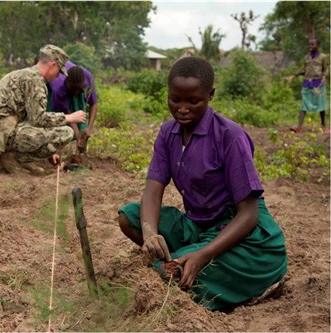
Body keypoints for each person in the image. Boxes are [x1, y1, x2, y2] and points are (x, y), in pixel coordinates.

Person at [118, 56, 288, 311]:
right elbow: (153, 189)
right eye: (175, 100)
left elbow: (249, 215)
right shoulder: (168, 133)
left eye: (193, 101)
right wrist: (150, 233)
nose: (182, 109)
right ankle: (191, 256)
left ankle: (248, 280)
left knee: (170, 273)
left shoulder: (229, 136)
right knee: (129, 217)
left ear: (210, 95)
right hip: (198, 224)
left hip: (245, 236)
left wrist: (203, 255)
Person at [0, 45, 86, 174]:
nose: (57, 77)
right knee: (66, 132)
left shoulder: (24, 74)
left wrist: (49, 153)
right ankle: (14, 158)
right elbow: (38, 119)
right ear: (52, 65)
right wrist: (69, 117)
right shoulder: (35, 81)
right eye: (58, 71)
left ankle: (20, 159)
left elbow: (29, 117)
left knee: (47, 130)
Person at [48, 61, 98, 164]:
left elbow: (93, 104)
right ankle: (50, 150)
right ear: (67, 83)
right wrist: (77, 133)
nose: (75, 92)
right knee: (53, 117)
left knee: (80, 115)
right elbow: (67, 113)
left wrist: (89, 128)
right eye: (73, 89)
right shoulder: (59, 87)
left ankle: (79, 150)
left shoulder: (88, 80)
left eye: (78, 89)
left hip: (75, 84)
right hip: (54, 87)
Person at [286, 38, 329, 133]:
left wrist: (324, 77)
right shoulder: (306, 58)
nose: (310, 46)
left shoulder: (322, 57)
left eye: (312, 44)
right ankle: (299, 127)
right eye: (309, 44)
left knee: (321, 105)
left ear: (317, 45)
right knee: (304, 105)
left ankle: (323, 126)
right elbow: (303, 70)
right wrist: (293, 76)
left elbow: (325, 69)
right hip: (307, 84)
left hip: (318, 84)